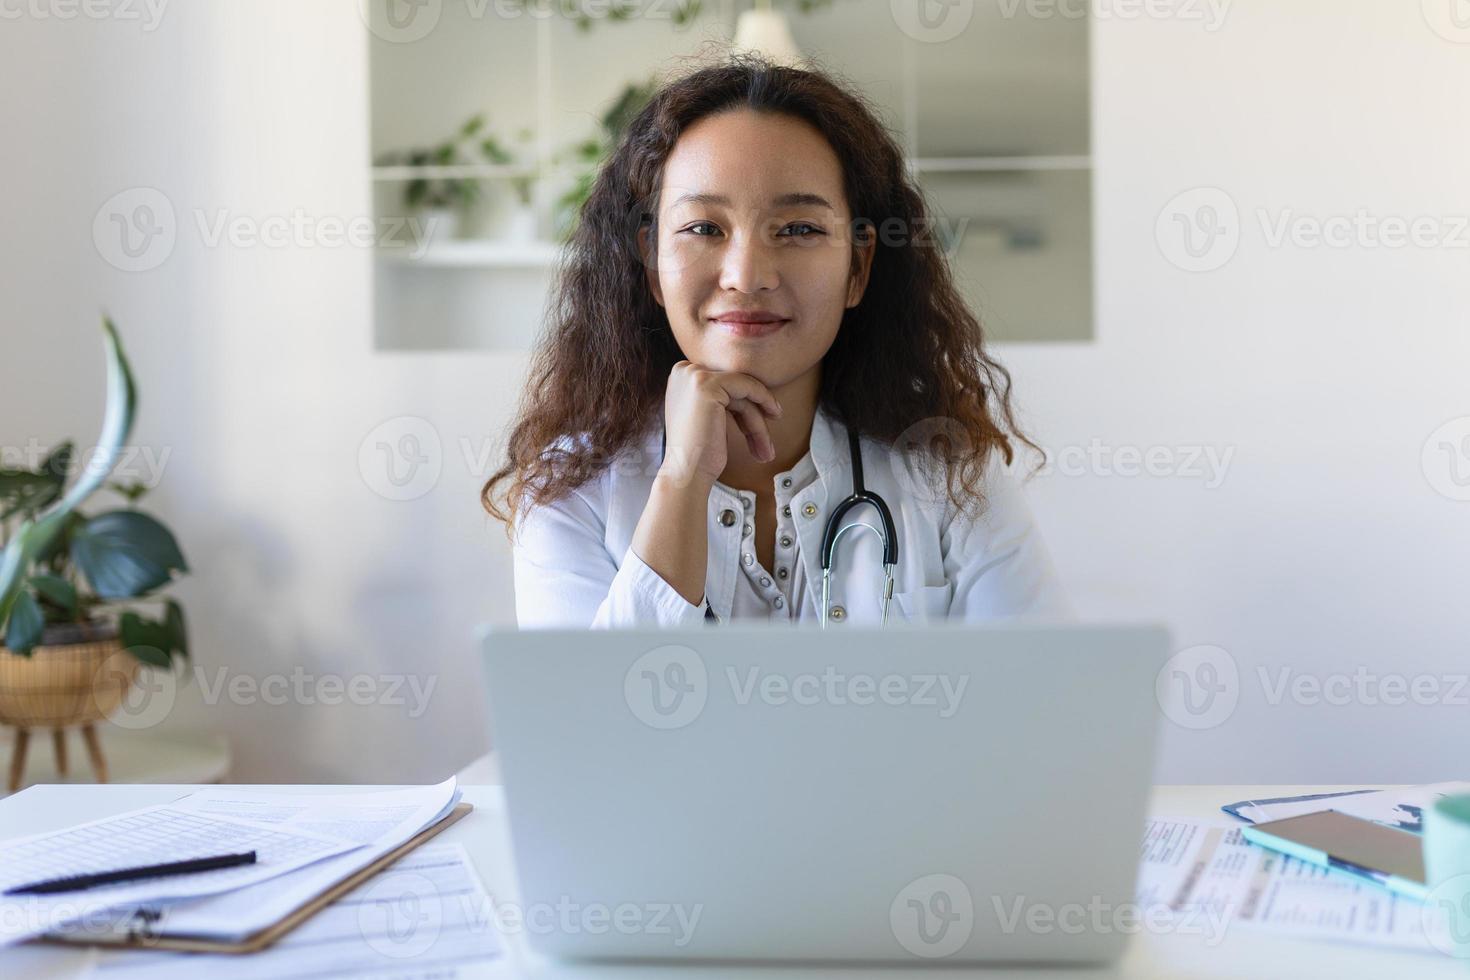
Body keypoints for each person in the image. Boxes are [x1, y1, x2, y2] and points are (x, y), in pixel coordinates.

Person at [482, 54, 1071, 628]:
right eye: (704, 228)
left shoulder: (948, 476)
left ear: (858, 270)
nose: (747, 274)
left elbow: (1041, 708)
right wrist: (682, 480)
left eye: (799, 229)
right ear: (652, 265)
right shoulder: (570, 491)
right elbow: (591, 722)